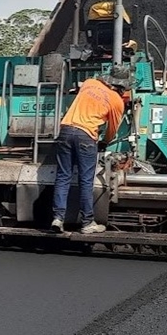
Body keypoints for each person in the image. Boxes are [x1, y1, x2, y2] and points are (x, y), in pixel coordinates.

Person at [51, 70, 128, 234]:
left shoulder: (89, 83)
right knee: (85, 181)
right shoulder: (117, 101)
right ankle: (87, 223)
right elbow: (112, 129)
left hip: (65, 131)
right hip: (86, 136)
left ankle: (58, 218)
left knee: (63, 177)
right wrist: (104, 142)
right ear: (123, 87)